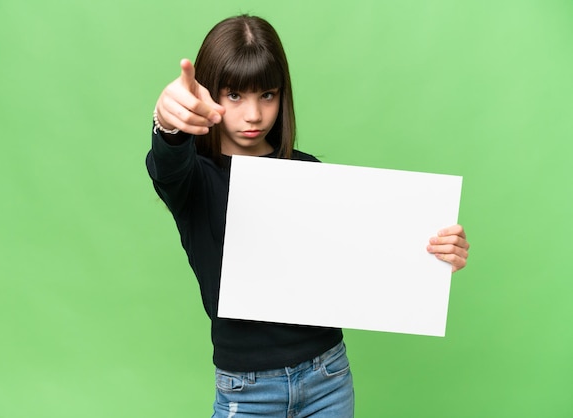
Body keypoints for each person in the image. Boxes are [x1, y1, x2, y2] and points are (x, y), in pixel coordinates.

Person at [146, 14, 470, 418]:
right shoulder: (194, 178)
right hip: (246, 391)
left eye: (267, 95)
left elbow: (361, 257)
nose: (253, 114)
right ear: (209, 93)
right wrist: (167, 122)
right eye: (234, 95)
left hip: (328, 377)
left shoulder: (308, 171)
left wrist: (433, 258)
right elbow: (166, 162)